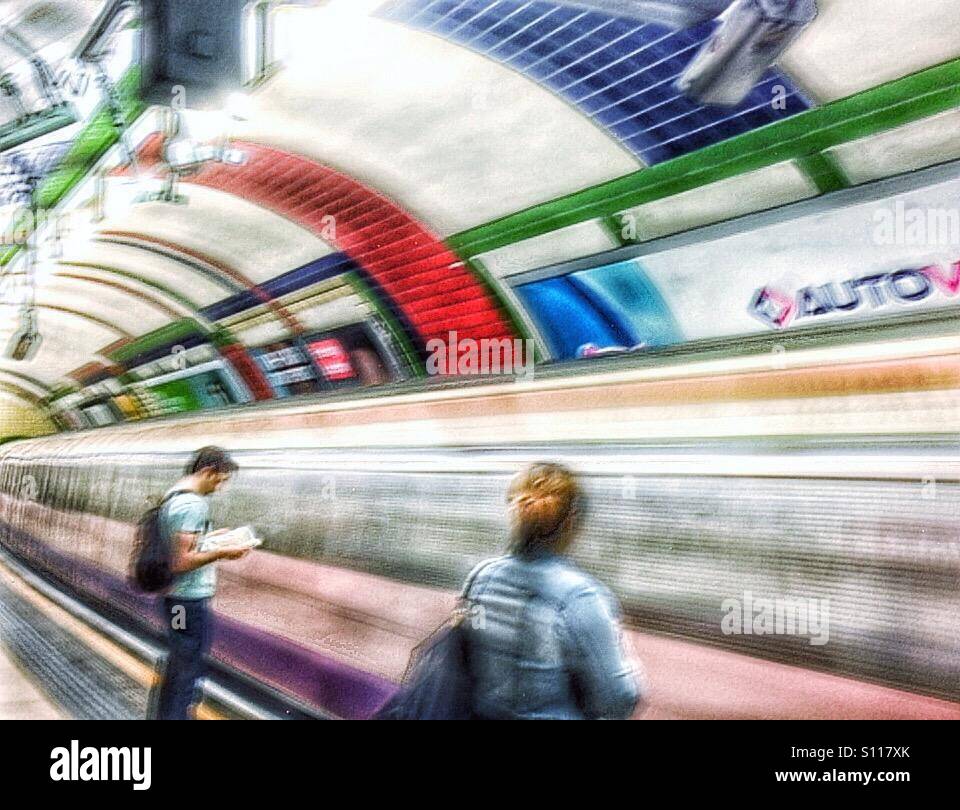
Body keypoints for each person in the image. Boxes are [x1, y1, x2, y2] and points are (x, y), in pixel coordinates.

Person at [462, 462, 645, 720]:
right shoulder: (580, 596)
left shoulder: (481, 579)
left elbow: (469, 658)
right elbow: (619, 697)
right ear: (571, 522)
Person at [154, 446, 248, 720]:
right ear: (207, 472)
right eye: (220, 480)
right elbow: (181, 561)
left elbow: (180, 545)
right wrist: (223, 552)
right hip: (185, 603)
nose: (220, 487)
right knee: (186, 671)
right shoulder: (193, 504)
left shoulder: (174, 496)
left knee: (179, 666)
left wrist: (211, 539)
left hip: (177, 600)